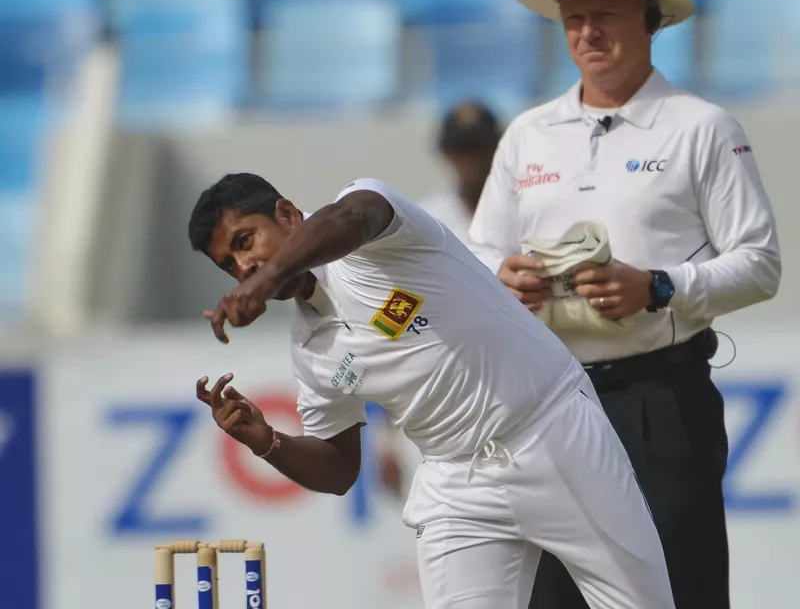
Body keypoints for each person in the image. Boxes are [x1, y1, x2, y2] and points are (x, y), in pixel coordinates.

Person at [188, 173, 676, 609]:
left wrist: (267, 276)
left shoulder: (366, 226)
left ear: (288, 214)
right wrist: (266, 441)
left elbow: (355, 216)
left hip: (551, 431)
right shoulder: (311, 349)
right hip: (455, 485)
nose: (245, 265)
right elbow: (339, 469)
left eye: (246, 240)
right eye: (230, 264)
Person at [469, 0, 782, 609]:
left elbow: (760, 264)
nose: (587, 32)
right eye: (574, 18)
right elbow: (480, 251)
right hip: (549, 400)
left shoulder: (699, 126)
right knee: (555, 596)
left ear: (649, 19)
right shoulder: (529, 132)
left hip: (659, 396)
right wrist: (504, 277)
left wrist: (661, 286)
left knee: (679, 587)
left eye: (605, 14)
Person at [418, 101, 502, 245]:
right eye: (461, 149)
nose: (470, 159)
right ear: (447, 153)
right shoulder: (428, 220)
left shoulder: (520, 212)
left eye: (478, 148)